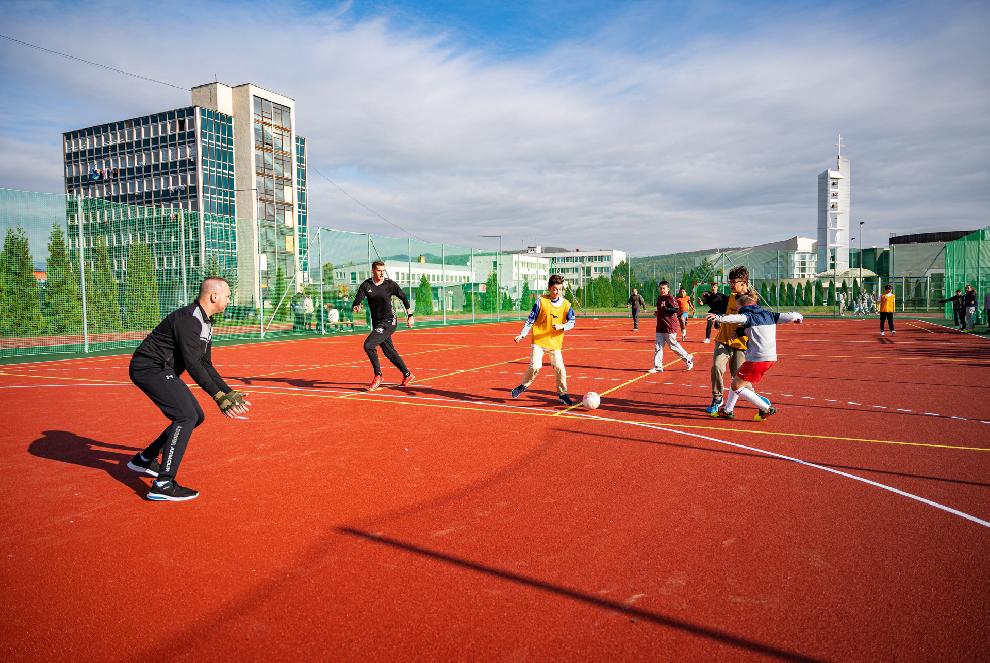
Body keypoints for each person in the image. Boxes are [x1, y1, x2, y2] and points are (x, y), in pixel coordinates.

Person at [127, 277, 250, 501]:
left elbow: (205, 363)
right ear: (214, 296)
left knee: (196, 416)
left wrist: (228, 391)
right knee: (185, 416)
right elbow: (193, 365)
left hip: (163, 369)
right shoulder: (189, 319)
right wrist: (218, 396)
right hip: (149, 368)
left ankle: (144, 459)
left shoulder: (206, 321)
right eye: (228, 296)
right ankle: (163, 484)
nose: (229, 300)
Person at [707, 293, 803, 421]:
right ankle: (727, 410)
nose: (738, 309)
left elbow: (734, 318)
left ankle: (766, 408)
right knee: (737, 379)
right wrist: (799, 318)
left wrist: (718, 317)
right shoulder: (770, 314)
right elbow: (793, 315)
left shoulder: (747, 316)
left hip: (757, 359)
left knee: (737, 386)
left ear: (743, 306)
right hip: (770, 358)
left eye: (738, 307)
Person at [510, 274, 577, 405]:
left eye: (559, 289)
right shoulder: (540, 301)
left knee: (560, 368)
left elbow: (572, 322)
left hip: (555, 343)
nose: (557, 292)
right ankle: (523, 385)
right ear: (549, 288)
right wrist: (522, 334)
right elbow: (530, 320)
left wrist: (562, 326)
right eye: (554, 289)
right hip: (539, 341)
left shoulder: (566, 304)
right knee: (535, 366)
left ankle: (562, 394)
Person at [351, 260, 415, 391]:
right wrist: (356, 305)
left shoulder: (390, 284)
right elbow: (359, 297)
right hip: (377, 322)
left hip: (389, 320)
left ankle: (378, 375)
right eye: (379, 270)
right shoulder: (366, 285)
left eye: (383, 270)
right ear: (373, 271)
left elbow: (403, 297)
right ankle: (407, 374)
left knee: (368, 345)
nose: (382, 273)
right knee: (389, 352)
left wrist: (410, 315)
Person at [707, 266, 751, 416]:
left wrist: (739, 331)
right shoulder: (730, 297)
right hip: (723, 340)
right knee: (717, 367)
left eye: (734, 282)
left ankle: (756, 398)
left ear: (744, 283)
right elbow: (725, 313)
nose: (731, 284)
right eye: (730, 281)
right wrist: (718, 318)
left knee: (739, 378)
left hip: (740, 344)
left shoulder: (751, 301)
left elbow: (751, 321)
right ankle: (717, 398)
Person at [650, 281, 694, 373]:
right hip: (660, 327)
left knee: (673, 346)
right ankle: (658, 366)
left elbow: (676, 309)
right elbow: (662, 310)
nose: (662, 290)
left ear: (668, 289)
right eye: (661, 288)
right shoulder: (659, 298)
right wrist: (658, 313)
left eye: (664, 288)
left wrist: (665, 309)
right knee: (658, 347)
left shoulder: (670, 298)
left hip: (669, 327)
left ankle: (688, 358)